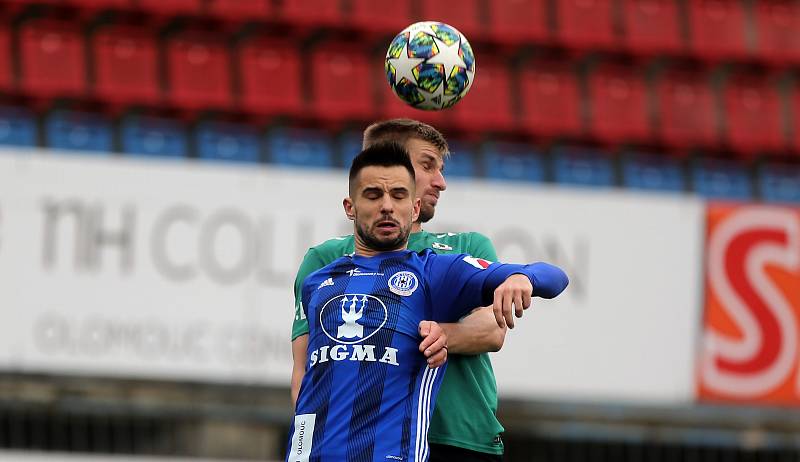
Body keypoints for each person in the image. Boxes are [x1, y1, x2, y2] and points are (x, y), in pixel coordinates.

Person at [286, 143, 568, 462]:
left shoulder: (434, 272)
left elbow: (553, 276)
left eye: (399, 195)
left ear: (416, 208)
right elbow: (309, 381)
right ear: (350, 207)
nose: (387, 207)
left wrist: (522, 278)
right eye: (373, 195)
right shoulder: (318, 282)